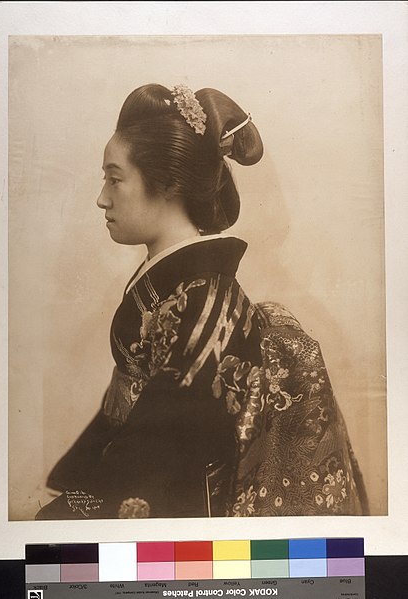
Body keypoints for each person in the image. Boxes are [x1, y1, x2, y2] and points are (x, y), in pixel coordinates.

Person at [36, 83, 368, 520]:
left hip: (187, 505)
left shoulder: (207, 297)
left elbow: (164, 441)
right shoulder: (183, 285)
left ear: (169, 184)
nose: (102, 197)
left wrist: (77, 509)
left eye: (115, 179)